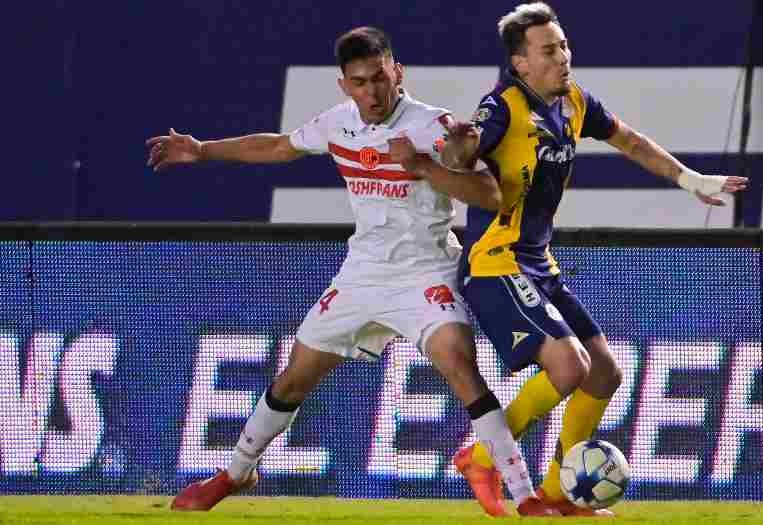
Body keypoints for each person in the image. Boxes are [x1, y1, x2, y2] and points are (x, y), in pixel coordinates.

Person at [146, 26, 554, 517]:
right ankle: (236, 472)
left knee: (458, 363)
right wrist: (204, 149)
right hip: (361, 275)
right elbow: (278, 147)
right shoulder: (337, 123)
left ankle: (525, 494)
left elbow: (489, 195)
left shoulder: (434, 125)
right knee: (293, 379)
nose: (373, 92)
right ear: (344, 85)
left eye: (380, 78)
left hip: (425, 273)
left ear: (397, 72)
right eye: (360, 82)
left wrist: (429, 165)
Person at [440, 2, 750, 518]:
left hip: (538, 264)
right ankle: (479, 455)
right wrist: (457, 149)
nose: (563, 56)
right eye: (549, 49)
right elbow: (458, 161)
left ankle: (560, 497)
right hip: (495, 264)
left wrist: (690, 179)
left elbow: (630, 140)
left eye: (563, 45)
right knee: (569, 365)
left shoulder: (574, 103)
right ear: (519, 63)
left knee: (604, 374)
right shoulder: (500, 108)